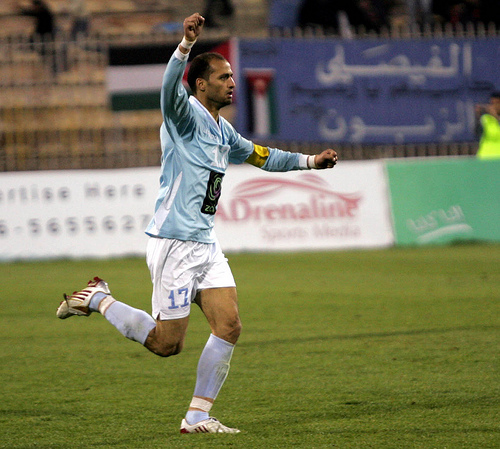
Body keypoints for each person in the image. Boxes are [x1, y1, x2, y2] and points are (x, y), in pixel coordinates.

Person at [56, 12, 338, 435]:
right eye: (224, 77)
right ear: (201, 84)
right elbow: (169, 86)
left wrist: (310, 161)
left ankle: (197, 417)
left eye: (231, 76)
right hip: (174, 242)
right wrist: (185, 45)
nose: (232, 82)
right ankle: (98, 298)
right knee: (167, 344)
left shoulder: (223, 131)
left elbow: (264, 156)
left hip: (205, 244)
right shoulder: (183, 116)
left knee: (229, 325)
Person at [475, 91, 500, 159]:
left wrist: (496, 117)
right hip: (485, 157)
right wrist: (477, 117)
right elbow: (477, 133)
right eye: (492, 103)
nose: (494, 106)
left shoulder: (495, 117)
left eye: (497, 103)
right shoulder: (485, 118)